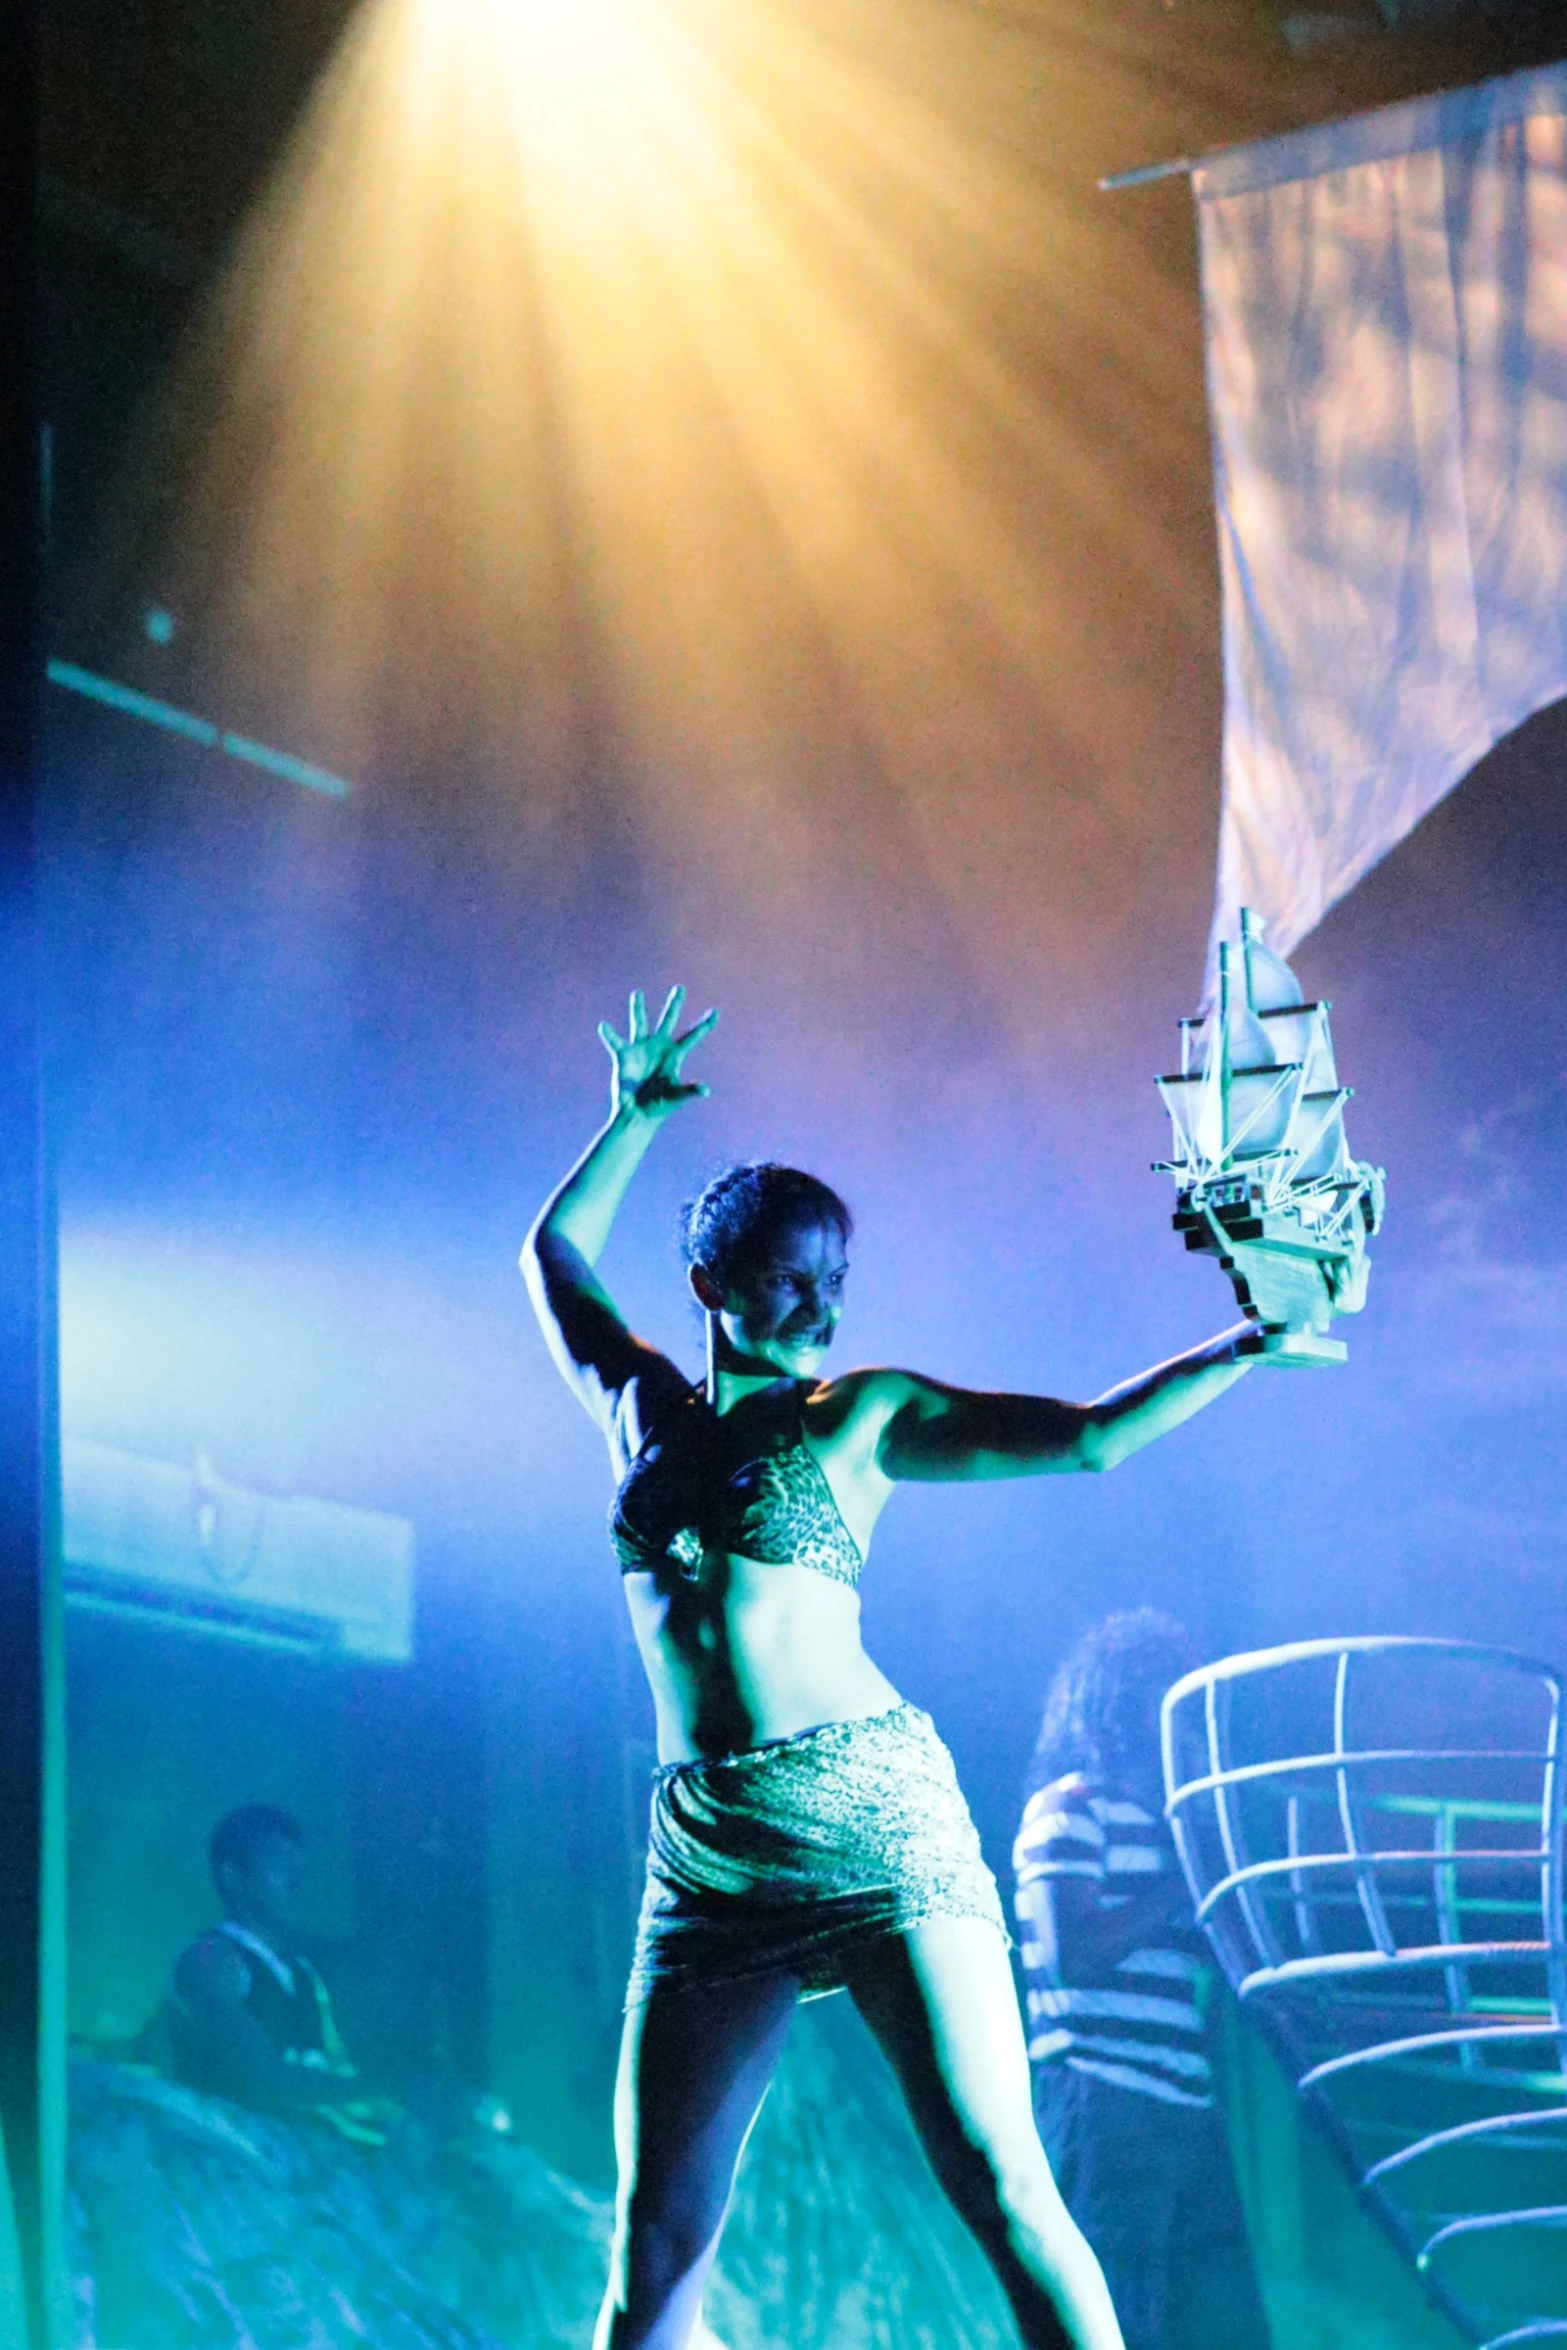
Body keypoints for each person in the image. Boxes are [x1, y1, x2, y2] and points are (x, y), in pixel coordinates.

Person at [522, 985, 1303, 2350]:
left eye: (834, 1280)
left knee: (1000, 2186)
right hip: (707, 1859)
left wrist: (1249, 1340)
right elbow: (555, 1253)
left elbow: (1087, 1439)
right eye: (787, 1276)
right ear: (708, 1283)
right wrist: (630, 1122)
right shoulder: (639, 1410)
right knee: (654, 2247)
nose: (820, 1304)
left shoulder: (862, 1418)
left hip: (873, 1817)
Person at [1013, 1611, 1272, 2350]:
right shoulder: (1066, 1807)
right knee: (1115, 2321)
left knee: (1218, 2327)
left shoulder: (1167, 1830)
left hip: (1182, 2109)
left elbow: (1222, 1974)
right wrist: (1180, 1887)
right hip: (1101, 2100)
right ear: (1127, 1706)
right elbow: (1073, 1956)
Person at [168, 1803, 390, 2142]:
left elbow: (332, 2066)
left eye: (298, 1864)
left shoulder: (304, 1976)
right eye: (277, 1862)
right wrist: (372, 2092)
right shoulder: (212, 1961)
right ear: (234, 1878)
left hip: (298, 2166)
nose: (295, 1877)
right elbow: (260, 2077)